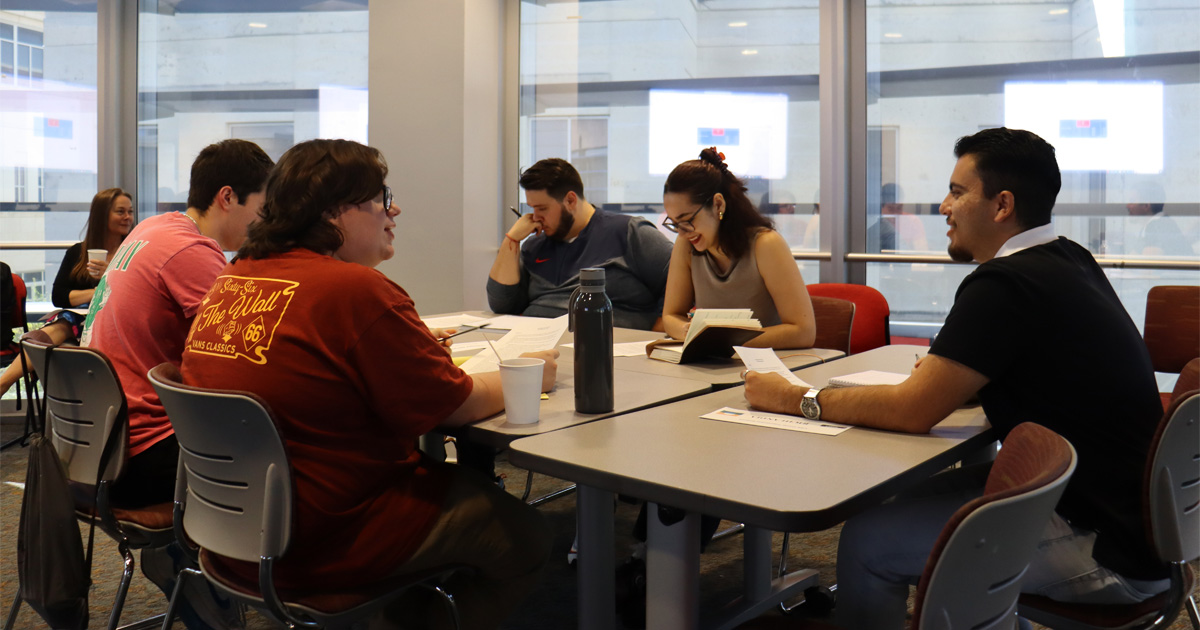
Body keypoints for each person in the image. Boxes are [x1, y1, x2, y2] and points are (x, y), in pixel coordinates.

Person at [744, 128, 1169, 628]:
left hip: (1106, 546)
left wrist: (794, 397)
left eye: (958, 191)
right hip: (1134, 519)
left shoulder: (1004, 284)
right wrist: (959, 377)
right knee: (890, 506)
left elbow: (911, 411)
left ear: (1002, 204)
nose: (944, 207)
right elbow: (1040, 368)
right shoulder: (1067, 257)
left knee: (866, 541)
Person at [180, 139, 556, 630]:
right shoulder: (352, 290)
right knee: (526, 535)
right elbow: (455, 406)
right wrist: (528, 370)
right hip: (329, 538)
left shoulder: (232, 281)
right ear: (334, 212)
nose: (392, 209)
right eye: (380, 197)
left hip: (232, 533)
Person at [82, 138, 274, 509]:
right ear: (228, 197)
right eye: (262, 209)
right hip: (145, 451)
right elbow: (250, 354)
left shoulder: (154, 229)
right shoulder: (190, 250)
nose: (263, 222)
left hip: (103, 442)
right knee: (299, 463)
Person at [487, 158, 672, 330]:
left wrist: (660, 327)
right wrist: (511, 240)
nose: (535, 217)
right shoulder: (535, 246)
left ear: (570, 200)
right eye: (532, 208)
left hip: (606, 342)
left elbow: (679, 277)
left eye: (542, 208)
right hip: (538, 341)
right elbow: (502, 305)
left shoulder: (628, 232)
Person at [661, 147, 816, 349]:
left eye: (687, 220)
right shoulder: (686, 244)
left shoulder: (766, 245)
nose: (682, 232)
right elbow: (671, 316)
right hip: (715, 365)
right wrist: (688, 332)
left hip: (767, 367)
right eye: (674, 223)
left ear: (718, 205)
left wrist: (722, 341)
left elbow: (803, 332)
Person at [52, 188, 135, 308]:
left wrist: (110, 276)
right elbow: (59, 297)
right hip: (79, 319)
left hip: (118, 319)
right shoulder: (77, 252)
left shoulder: (134, 253)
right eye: (120, 212)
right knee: (57, 326)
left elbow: (140, 294)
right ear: (102, 216)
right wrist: (97, 292)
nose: (128, 217)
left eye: (130, 212)